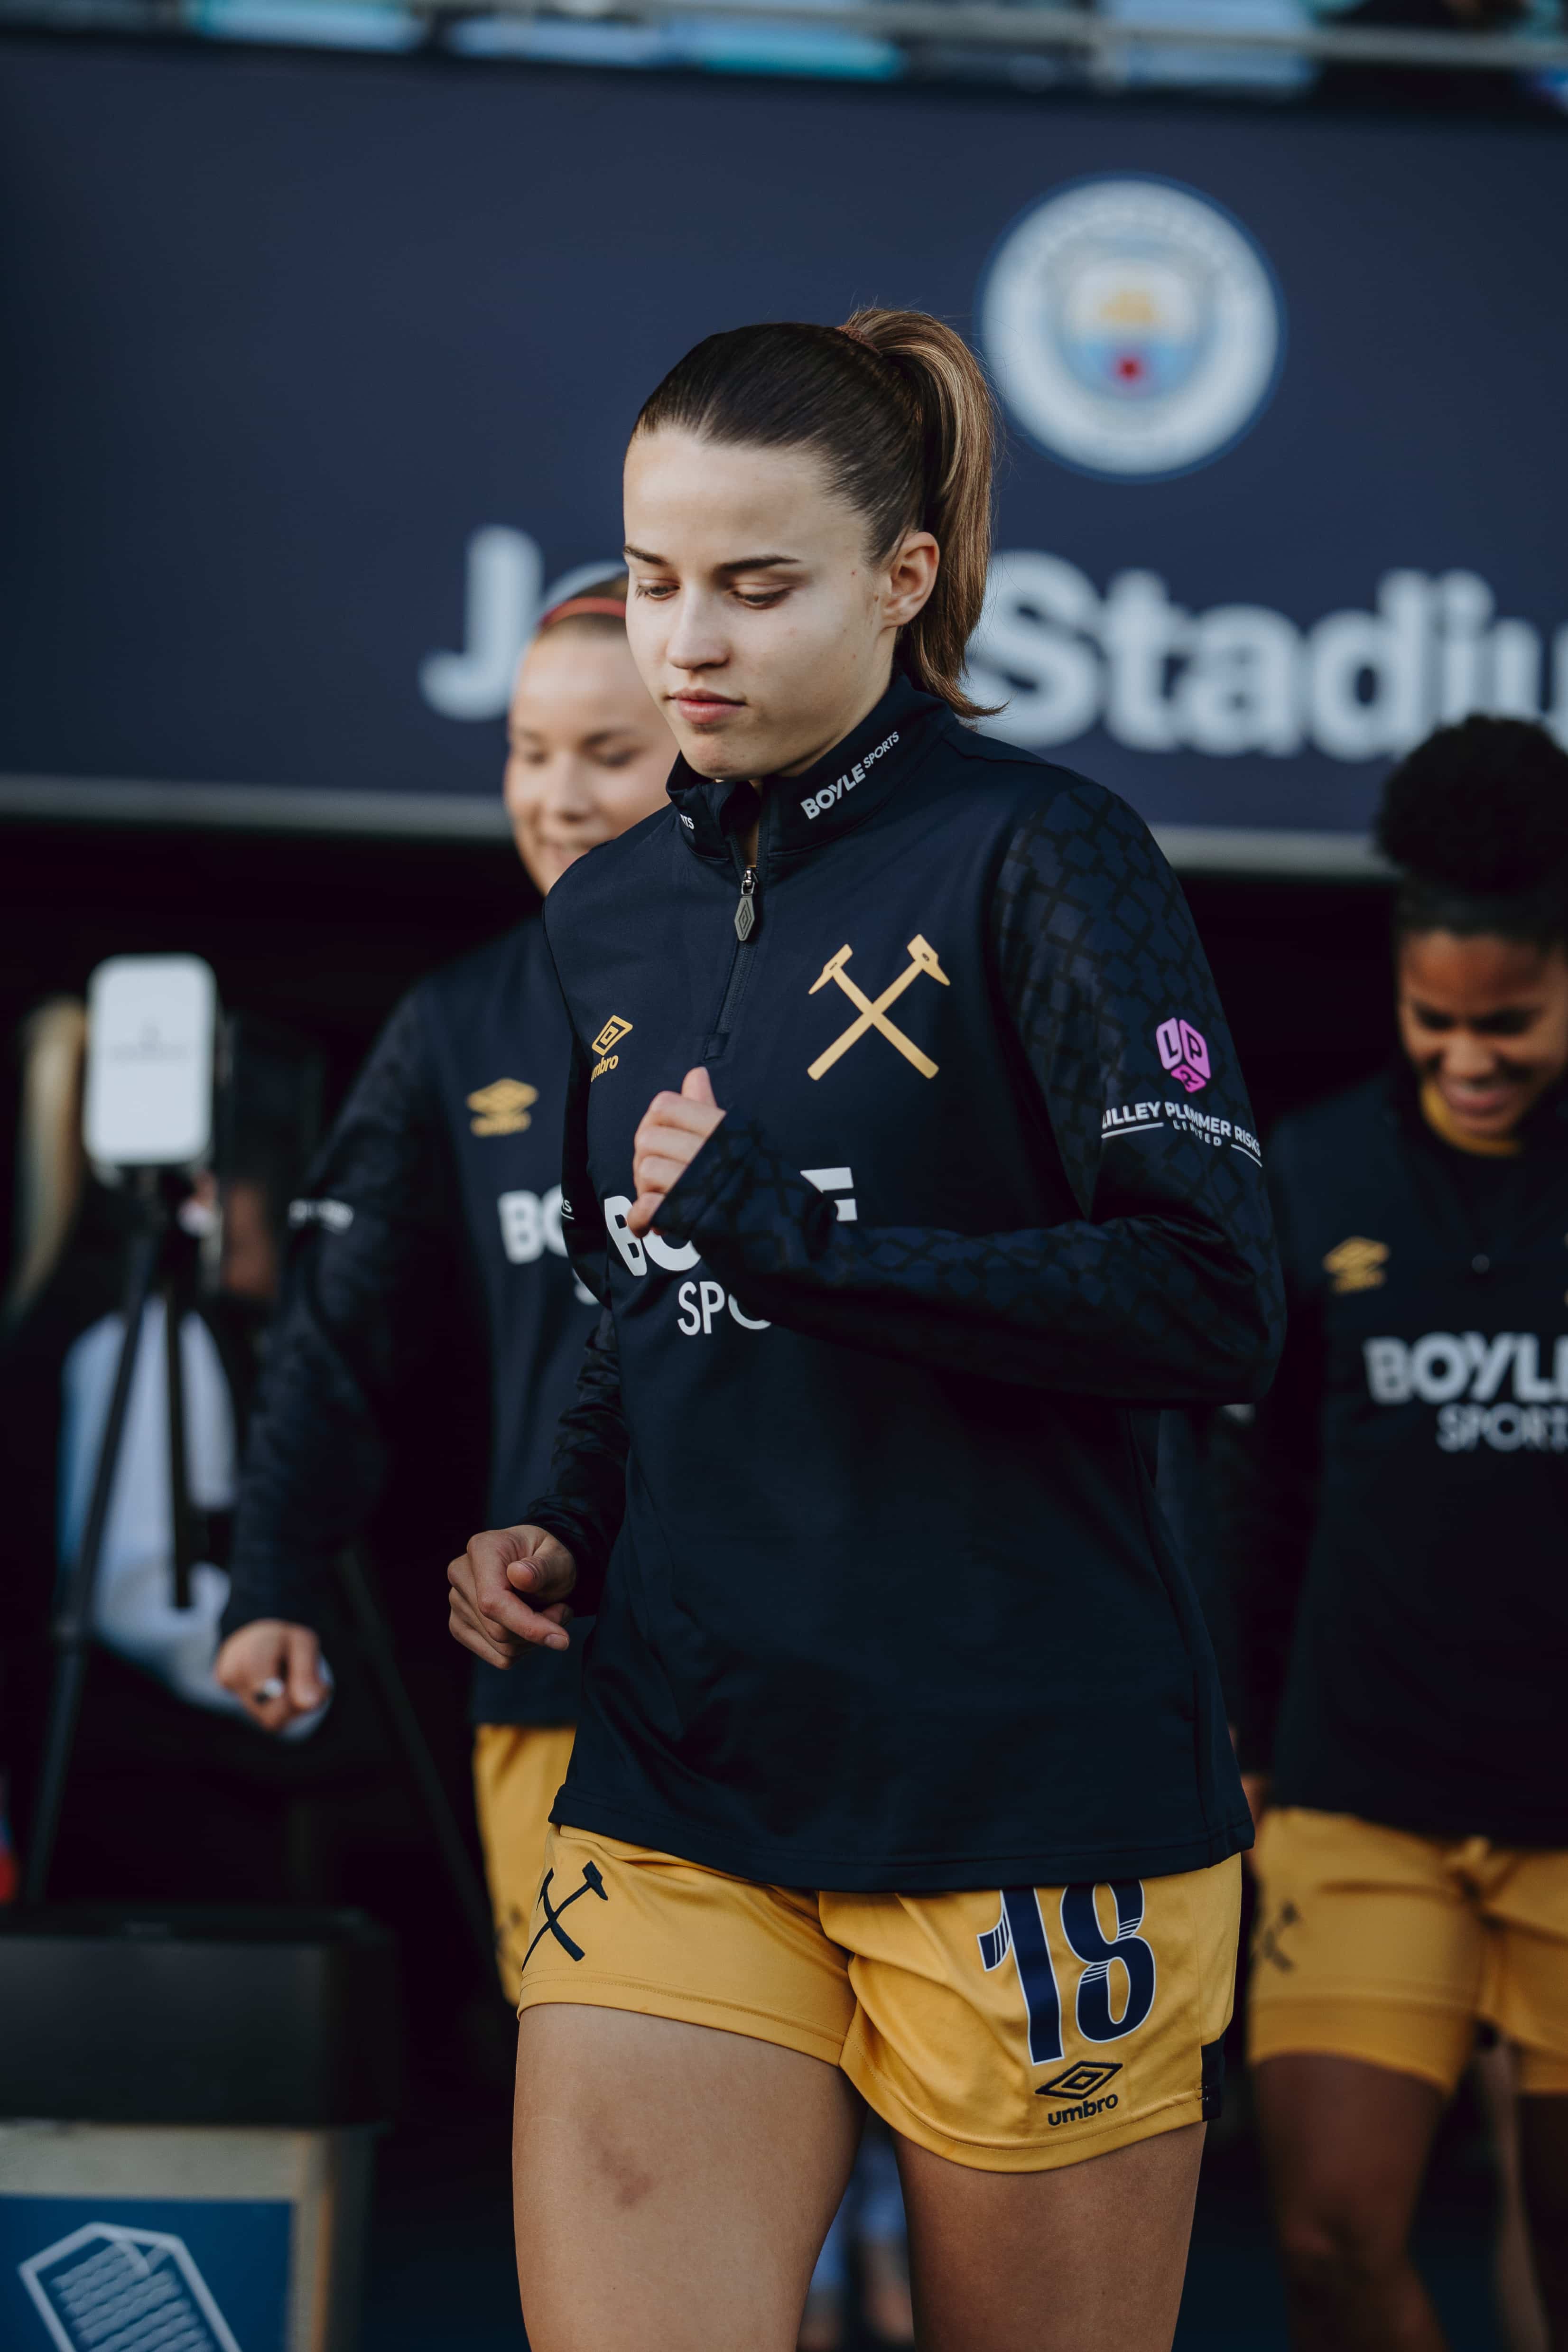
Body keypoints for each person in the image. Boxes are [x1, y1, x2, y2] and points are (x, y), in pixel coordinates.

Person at [445, 307, 1283, 2352]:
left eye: (753, 586)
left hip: (1022, 1798)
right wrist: (559, 1504)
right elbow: (634, 1289)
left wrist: (813, 1249)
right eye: (653, 582)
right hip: (682, 1773)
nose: (684, 645)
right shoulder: (611, 910)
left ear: (900, 582)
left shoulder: (1040, 850)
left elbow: (1206, 1291)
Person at [213, 576, 673, 1990]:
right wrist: (275, 1575)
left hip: (806, 1658)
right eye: (531, 752)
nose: (557, 796)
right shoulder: (460, 1019)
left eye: (608, 754)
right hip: (551, 1656)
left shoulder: (812, 993)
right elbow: (339, 1323)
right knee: (588, 2083)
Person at [1214, 716, 1568, 2351]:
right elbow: (1259, 1482)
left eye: (1512, 1021)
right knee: (1328, 2238)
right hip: (1363, 1795)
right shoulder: (1321, 1166)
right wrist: (1238, 1736)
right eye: (1434, 1020)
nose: (1469, 1056)